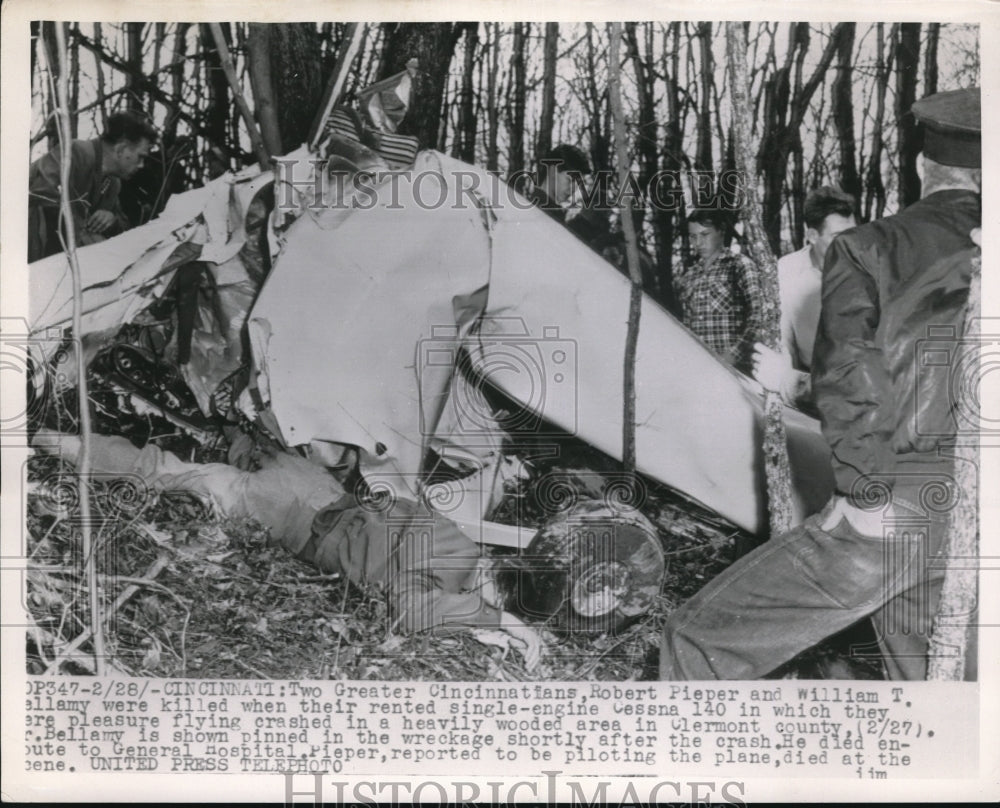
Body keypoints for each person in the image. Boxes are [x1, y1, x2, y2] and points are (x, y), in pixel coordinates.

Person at [659, 87, 981, 681]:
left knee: (697, 641)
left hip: (898, 501)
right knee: (935, 683)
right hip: (977, 509)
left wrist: (865, 494)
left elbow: (851, 376)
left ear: (921, 167)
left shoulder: (869, 248)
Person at [31, 429, 542, 669]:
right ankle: (59, 442)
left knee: (213, 459)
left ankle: (71, 443)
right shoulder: (448, 574)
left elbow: (401, 532)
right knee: (177, 470)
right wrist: (504, 622)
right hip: (300, 510)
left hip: (316, 493)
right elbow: (411, 611)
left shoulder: (456, 543)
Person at [751, 187, 856, 409]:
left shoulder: (870, 272)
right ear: (811, 236)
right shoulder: (785, 272)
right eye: (837, 238)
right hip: (805, 388)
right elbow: (782, 343)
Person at [28, 110, 158, 262]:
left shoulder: (113, 183)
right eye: (140, 156)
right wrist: (84, 235)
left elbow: (124, 227)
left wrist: (112, 219)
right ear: (121, 149)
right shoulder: (75, 152)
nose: (141, 165)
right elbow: (38, 194)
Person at [678, 208, 763, 375]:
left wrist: (735, 354)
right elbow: (686, 327)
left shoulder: (739, 265)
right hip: (701, 370)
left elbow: (759, 315)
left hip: (738, 371)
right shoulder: (689, 276)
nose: (698, 243)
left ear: (721, 232)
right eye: (693, 237)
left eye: (705, 235)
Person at [528, 143, 610, 247]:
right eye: (570, 180)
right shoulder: (536, 211)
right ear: (553, 170)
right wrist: (585, 223)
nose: (574, 188)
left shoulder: (550, 210)